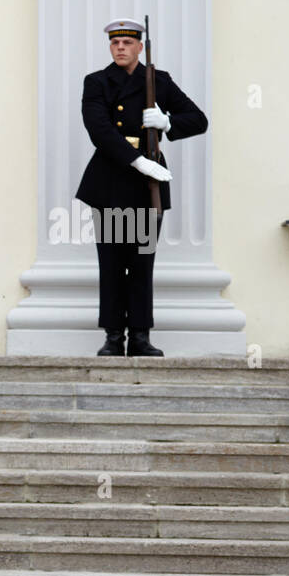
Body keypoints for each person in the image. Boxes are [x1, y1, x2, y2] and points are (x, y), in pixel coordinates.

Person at [75, 18, 208, 357]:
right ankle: (113, 336)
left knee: (142, 261)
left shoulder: (158, 82)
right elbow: (99, 130)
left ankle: (140, 336)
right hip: (110, 180)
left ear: (138, 46)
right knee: (111, 261)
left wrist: (167, 122)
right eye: (115, 42)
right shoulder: (97, 82)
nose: (120, 47)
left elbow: (198, 119)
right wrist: (137, 160)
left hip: (147, 185)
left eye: (127, 43)